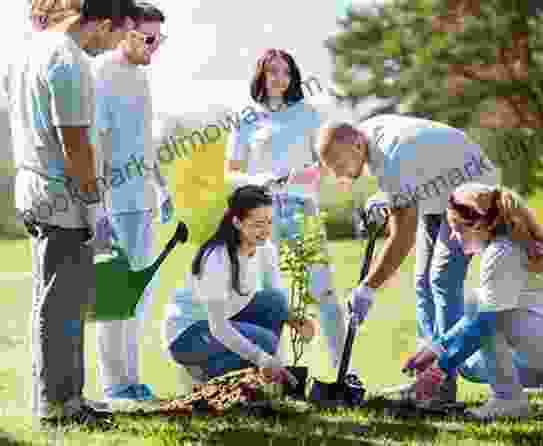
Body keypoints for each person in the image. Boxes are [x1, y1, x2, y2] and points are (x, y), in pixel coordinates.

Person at [2, 0, 138, 426]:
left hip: (35, 190)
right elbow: (75, 145)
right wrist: (94, 208)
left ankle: (68, 398)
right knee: (61, 307)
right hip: (63, 200)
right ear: (101, 24)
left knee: (59, 302)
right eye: (119, 34)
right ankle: (59, 408)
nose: (116, 44)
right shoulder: (70, 60)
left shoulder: (29, 50)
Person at [315, 115, 500, 407]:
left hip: (473, 192)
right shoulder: (369, 135)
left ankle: (442, 380)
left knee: (441, 279)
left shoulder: (391, 156)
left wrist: (368, 288)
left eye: (340, 165)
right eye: (333, 169)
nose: (339, 174)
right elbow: (412, 175)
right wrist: (386, 197)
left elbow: (402, 236)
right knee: (422, 282)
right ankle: (427, 379)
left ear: (357, 144)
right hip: (438, 193)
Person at [402, 183, 543, 420]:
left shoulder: (502, 252)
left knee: (484, 315)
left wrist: (437, 371)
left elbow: (485, 322)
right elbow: (477, 319)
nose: (454, 238)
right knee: (474, 353)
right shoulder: (511, 243)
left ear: (478, 224)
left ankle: (510, 400)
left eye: (457, 229)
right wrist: (436, 347)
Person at [225, 49, 358, 381]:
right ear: (261, 75)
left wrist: (300, 178)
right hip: (262, 215)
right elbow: (231, 171)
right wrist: (259, 181)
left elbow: (325, 166)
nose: (279, 78)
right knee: (272, 296)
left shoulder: (309, 115)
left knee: (323, 291)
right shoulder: (246, 117)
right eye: (272, 71)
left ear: (293, 76)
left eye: (285, 72)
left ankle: (344, 372)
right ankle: (277, 373)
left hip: (302, 210)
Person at [90, 1, 174, 403]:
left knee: (138, 298)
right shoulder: (102, 72)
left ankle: (132, 380)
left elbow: (144, 140)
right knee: (114, 298)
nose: (155, 47)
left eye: (161, 39)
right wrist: (101, 206)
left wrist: (162, 185)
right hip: (116, 202)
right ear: (126, 30)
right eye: (149, 38)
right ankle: (114, 385)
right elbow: (99, 143)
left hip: (142, 199)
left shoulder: (141, 76)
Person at [162, 184, 315, 386]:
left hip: (223, 321)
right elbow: (218, 327)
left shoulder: (264, 248)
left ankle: (256, 379)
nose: (266, 231)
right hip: (189, 335)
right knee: (265, 342)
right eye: (257, 224)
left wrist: (296, 319)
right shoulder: (217, 258)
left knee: (275, 302)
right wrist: (262, 357)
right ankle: (205, 371)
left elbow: (276, 300)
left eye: (269, 222)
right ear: (237, 222)